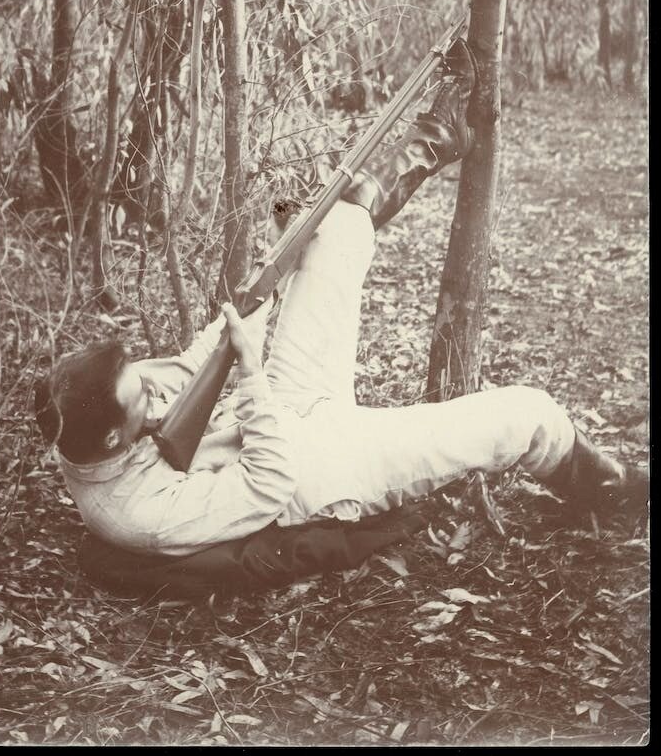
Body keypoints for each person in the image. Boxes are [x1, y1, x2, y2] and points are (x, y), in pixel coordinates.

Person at [35, 42, 647, 558]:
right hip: (316, 470)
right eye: (138, 395)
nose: (150, 386)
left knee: (335, 228)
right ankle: (616, 491)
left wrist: (258, 296)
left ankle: (437, 137)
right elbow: (269, 486)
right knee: (527, 414)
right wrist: (250, 372)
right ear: (115, 441)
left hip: (274, 412)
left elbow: (191, 368)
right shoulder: (137, 515)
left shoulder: (93, 416)